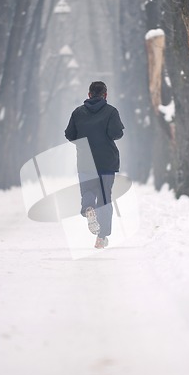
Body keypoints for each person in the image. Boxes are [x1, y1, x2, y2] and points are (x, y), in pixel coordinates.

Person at [65, 81, 124, 249]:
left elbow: (69, 134)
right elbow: (116, 133)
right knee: (105, 198)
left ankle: (88, 207)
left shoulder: (78, 113)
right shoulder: (111, 112)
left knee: (88, 191)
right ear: (105, 95)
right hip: (107, 161)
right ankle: (101, 237)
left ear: (89, 94)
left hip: (85, 161)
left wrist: (84, 141)